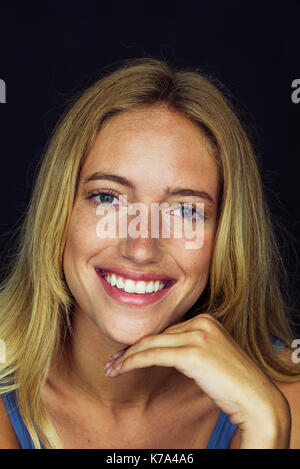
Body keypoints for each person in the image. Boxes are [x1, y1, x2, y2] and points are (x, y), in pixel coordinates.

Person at [0, 57, 299, 449]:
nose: (141, 248)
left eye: (185, 210)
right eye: (108, 198)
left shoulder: (286, 399)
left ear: (225, 236)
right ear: (59, 217)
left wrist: (266, 431)